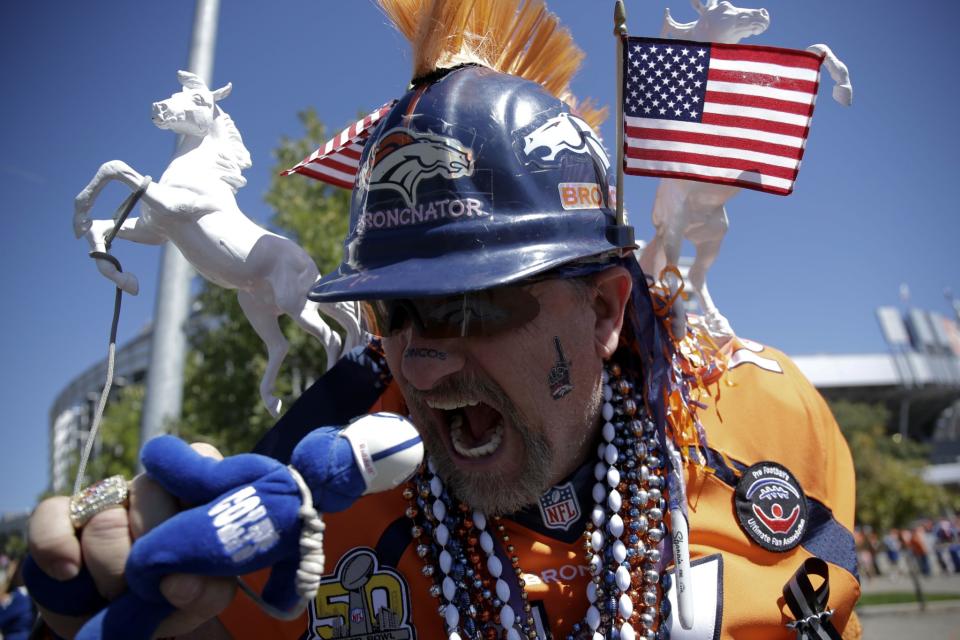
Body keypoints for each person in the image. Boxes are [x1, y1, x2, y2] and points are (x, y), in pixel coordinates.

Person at [25, 1, 860, 638]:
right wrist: (89, 583)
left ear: (604, 309)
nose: (418, 363)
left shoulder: (773, 418)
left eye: (472, 305)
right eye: (394, 311)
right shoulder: (310, 524)